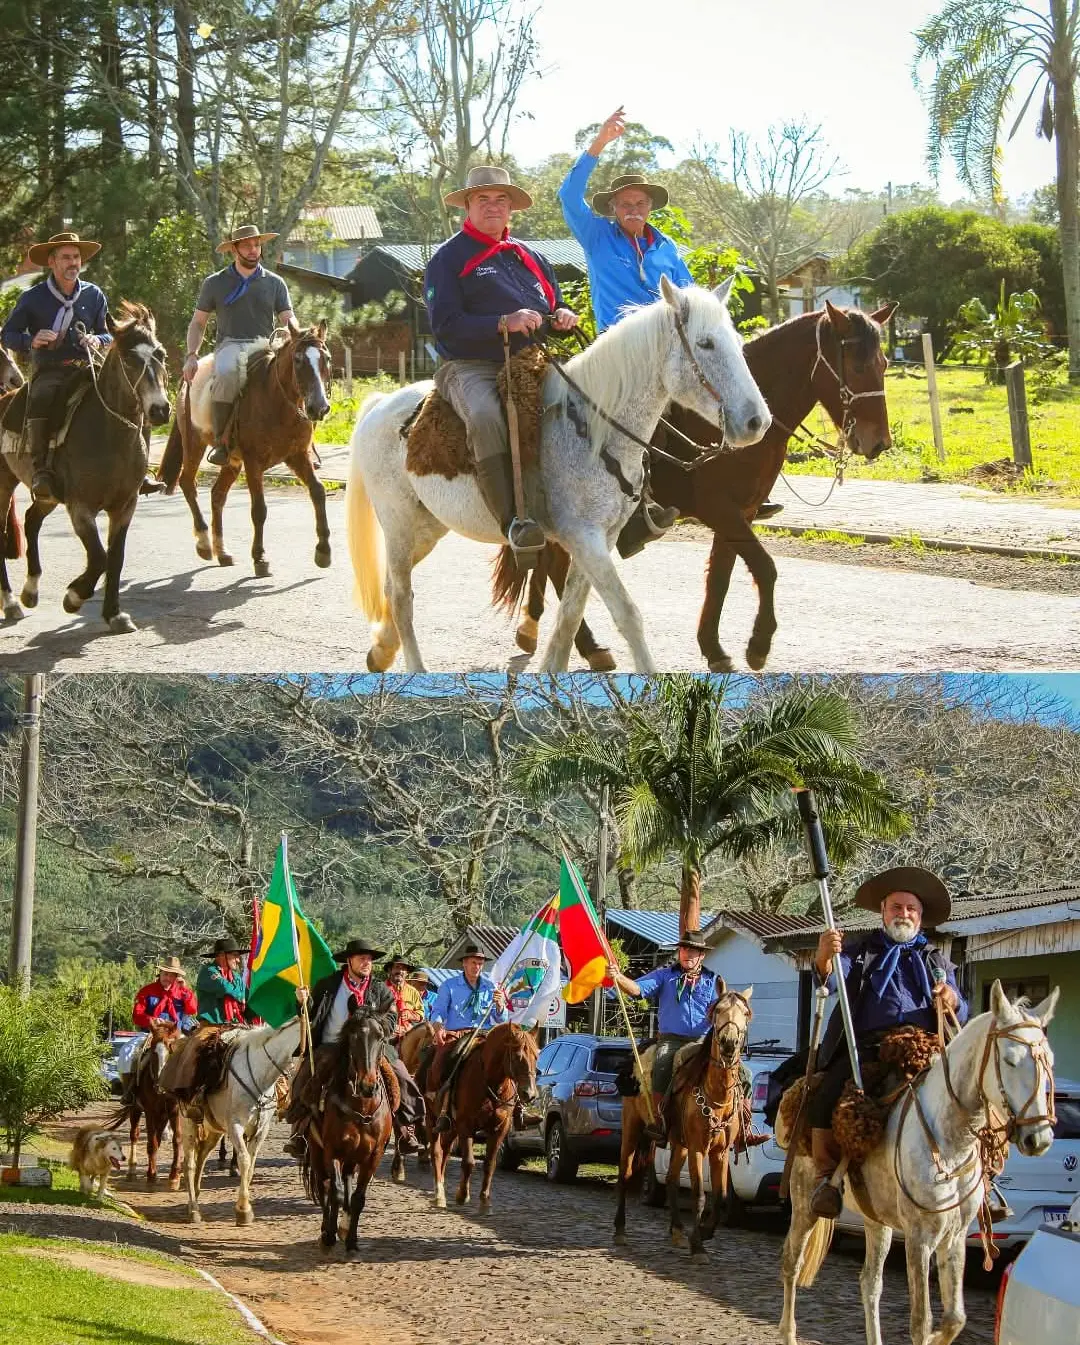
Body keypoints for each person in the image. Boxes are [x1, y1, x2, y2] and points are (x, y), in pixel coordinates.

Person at [560, 108, 784, 540]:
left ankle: (739, 490)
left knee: (719, 395)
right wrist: (598, 145)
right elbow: (569, 196)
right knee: (641, 425)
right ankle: (637, 507)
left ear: (648, 207)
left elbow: (690, 299)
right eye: (625, 203)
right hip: (619, 351)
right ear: (613, 208)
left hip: (669, 349)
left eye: (640, 203)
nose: (633, 208)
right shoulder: (596, 236)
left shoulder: (667, 248)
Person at [423, 166, 580, 566]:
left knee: (589, 401)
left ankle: (621, 503)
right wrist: (501, 322)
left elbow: (552, 305)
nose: (493, 206)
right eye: (483, 199)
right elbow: (444, 326)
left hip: (531, 359)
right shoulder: (448, 259)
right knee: (486, 414)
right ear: (468, 206)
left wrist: (562, 316)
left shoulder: (532, 257)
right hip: (471, 364)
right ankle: (514, 521)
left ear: (511, 208)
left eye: (501, 200)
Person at [806, 866, 968, 1218]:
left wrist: (951, 999)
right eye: (896, 907)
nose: (903, 914)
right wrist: (822, 956)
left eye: (911, 908)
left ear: (921, 916)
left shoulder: (936, 960)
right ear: (883, 911)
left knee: (969, 1096)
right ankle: (825, 1179)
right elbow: (830, 981)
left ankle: (980, 1182)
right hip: (867, 1047)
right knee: (826, 1094)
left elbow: (961, 1004)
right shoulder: (860, 951)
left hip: (926, 1048)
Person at [0, 230, 163, 506]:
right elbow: (8, 335)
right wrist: (32, 340)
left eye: (76, 257)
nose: (73, 262)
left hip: (88, 366)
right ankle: (42, 472)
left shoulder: (93, 294)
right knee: (41, 398)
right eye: (66, 257)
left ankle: (139, 469)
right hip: (50, 369)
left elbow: (109, 333)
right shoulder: (33, 297)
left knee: (132, 393)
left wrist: (97, 339)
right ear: (51, 262)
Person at [284, 936, 423, 1158]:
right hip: (331, 1046)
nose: (367, 963)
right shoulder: (328, 985)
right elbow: (310, 1013)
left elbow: (390, 1021)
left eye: (369, 959)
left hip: (371, 1049)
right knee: (305, 1076)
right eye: (362, 958)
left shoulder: (381, 991)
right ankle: (299, 1132)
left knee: (402, 1076)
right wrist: (303, 1001)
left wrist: (375, 1025)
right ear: (349, 961)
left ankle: (406, 1132)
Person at [182, 223, 298, 467]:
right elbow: (198, 323)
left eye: (257, 245)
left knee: (296, 374)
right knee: (226, 374)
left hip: (265, 345)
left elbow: (287, 316)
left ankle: (303, 443)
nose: (254, 250)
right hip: (230, 345)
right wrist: (191, 354)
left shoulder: (275, 283)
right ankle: (222, 443)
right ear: (234, 250)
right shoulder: (214, 283)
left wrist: (295, 333)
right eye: (247, 246)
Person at [605, 929, 727, 1143]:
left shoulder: (713, 980)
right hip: (672, 1040)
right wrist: (618, 977)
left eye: (693, 951)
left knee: (740, 1073)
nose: (687, 954)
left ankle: (745, 1127)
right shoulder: (665, 976)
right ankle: (660, 1120)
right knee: (661, 1066)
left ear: (702, 955)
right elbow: (636, 989)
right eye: (683, 949)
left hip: (703, 1041)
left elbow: (722, 1008)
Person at [426, 942, 510, 1133]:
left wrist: (500, 1006)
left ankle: (517, 1107)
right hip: (459, 1035)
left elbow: (501, 1019)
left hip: (485, 1036)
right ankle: (444, 1107)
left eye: (480, 963)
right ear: (464, 963)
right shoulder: (449, 986)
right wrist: (438, 1027)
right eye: (473, 962)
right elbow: (438, 1011)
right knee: (446, 1061)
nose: (477, 967)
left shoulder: (491, 987)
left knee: (509, 1059)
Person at [119, 956, 199, 1103]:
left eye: (171, 975)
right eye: (165, 974)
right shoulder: (147, 991)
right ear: (160, 973)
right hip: (151, 1033)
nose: (167, 978)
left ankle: (194, 1095)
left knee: (195, 1055)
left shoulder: (183, 993)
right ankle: (129, 1090)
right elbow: (137, 1015)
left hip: (176, 1036)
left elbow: (192, 1009)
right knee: (127, 1051)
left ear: (177, 977)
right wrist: (152, 1020)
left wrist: (185, 990)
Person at [195, 937, 249, 1026]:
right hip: (211, 1025)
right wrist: (240, 996)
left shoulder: (236, 977)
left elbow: (247, 996)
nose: (238, 960)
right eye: (235, 955)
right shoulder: (208, 971)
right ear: (222, 955)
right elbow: (224, 987)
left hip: (235, 1025)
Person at [384, 956, 426, 1037]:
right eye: (397, 967)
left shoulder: (413, 992)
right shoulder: (380, 989)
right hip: (385, 1033)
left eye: (403, 969)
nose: (400, 971)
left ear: (407, 973)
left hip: (407, 1034)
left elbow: (421, 1014)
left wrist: (410, 1015)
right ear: (390, 970)